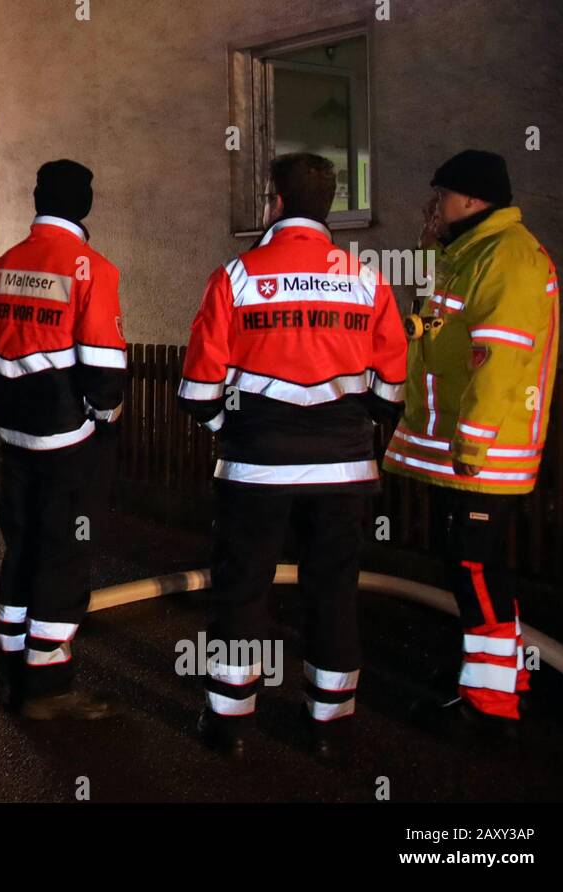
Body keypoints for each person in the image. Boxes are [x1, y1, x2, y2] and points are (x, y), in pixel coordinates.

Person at [178, 153, 408, 757]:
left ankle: (230, 722)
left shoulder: (236, 276)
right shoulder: (367, 279)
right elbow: (391, 389)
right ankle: (330, 726)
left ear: (274, 202)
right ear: (327, 205)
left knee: (242, 589)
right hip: (345, 471)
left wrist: (237, 426)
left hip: (255, 470)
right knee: (333, 590)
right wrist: (354, 429)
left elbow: (198, 392)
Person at [384, 150, 560, 735]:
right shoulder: (464, 255)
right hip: (460, 450)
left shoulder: (506, 257)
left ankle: (492, 710)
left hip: (483, 455)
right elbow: (440, 338)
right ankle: (494, 682)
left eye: (442, 195)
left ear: (471, 198)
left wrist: (475, 441)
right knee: (473, 570)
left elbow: (500, 358)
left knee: (475, 567)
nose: (434, 206)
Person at [0, 159, 126, 720]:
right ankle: (49, 684)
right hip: (69, 442)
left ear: (37, 199)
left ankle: (10, 668)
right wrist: (101, 416)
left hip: (13, 435)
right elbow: (105, 375)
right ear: (84, 206)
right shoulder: (93, 270)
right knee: (63, 553)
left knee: (22, 545)